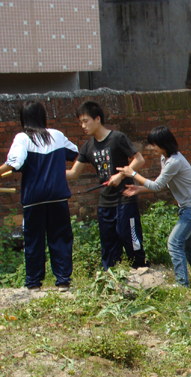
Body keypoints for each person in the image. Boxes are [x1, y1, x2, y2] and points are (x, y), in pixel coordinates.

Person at [109, 127, 191, 287]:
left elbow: (156, 186)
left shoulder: (174, 162)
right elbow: (161, 185)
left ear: (163, 144)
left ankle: (182, 284)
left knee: (174, 243)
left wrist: (132, 173)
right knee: (189, 245)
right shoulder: (166, 159)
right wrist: (140, 189)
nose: (151, 148)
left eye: (153, 144)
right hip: (190, 206)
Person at [0, 101, 78, 292]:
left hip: (34, 198)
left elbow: (14, 163)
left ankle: (34, 283)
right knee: (60, 237)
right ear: (43, 116)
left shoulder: (23, 137)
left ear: (24, 119)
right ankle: (63, 282)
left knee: (34, 240)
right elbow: (75, 152)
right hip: (58, 196)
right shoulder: (58, 135)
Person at [66, 101, 147, 270]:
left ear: (97, 119)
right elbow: (73, 174)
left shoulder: (117, 138)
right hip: (105, 203)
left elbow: (139, 160)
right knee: (108, 243)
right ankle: (111, 274)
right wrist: (45, 169)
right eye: (80, 122)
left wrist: (120, 175)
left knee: (129, 236)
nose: (83, 126)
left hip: (125, 198)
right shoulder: (87, 147)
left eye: (85, 121)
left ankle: (140, 269)